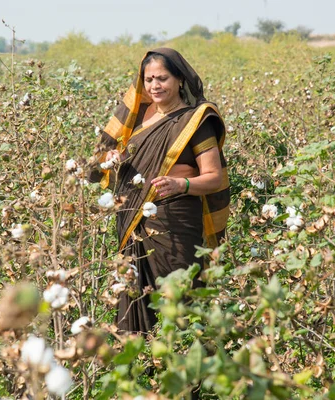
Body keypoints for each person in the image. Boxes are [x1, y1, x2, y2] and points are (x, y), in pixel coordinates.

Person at [91, 48, 230, 334]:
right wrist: (111, 162)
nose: (155, 85)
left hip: (175, 222)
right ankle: (143, 370)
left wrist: (182, 184)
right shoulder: (135, 120)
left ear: (179, 80)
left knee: (179, 300)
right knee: (134, 296)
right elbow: (97, 167)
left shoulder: (196, 121)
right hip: (131, 221)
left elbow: (214, 178)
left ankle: (188, 370)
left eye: (162, 78)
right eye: (149, 79)